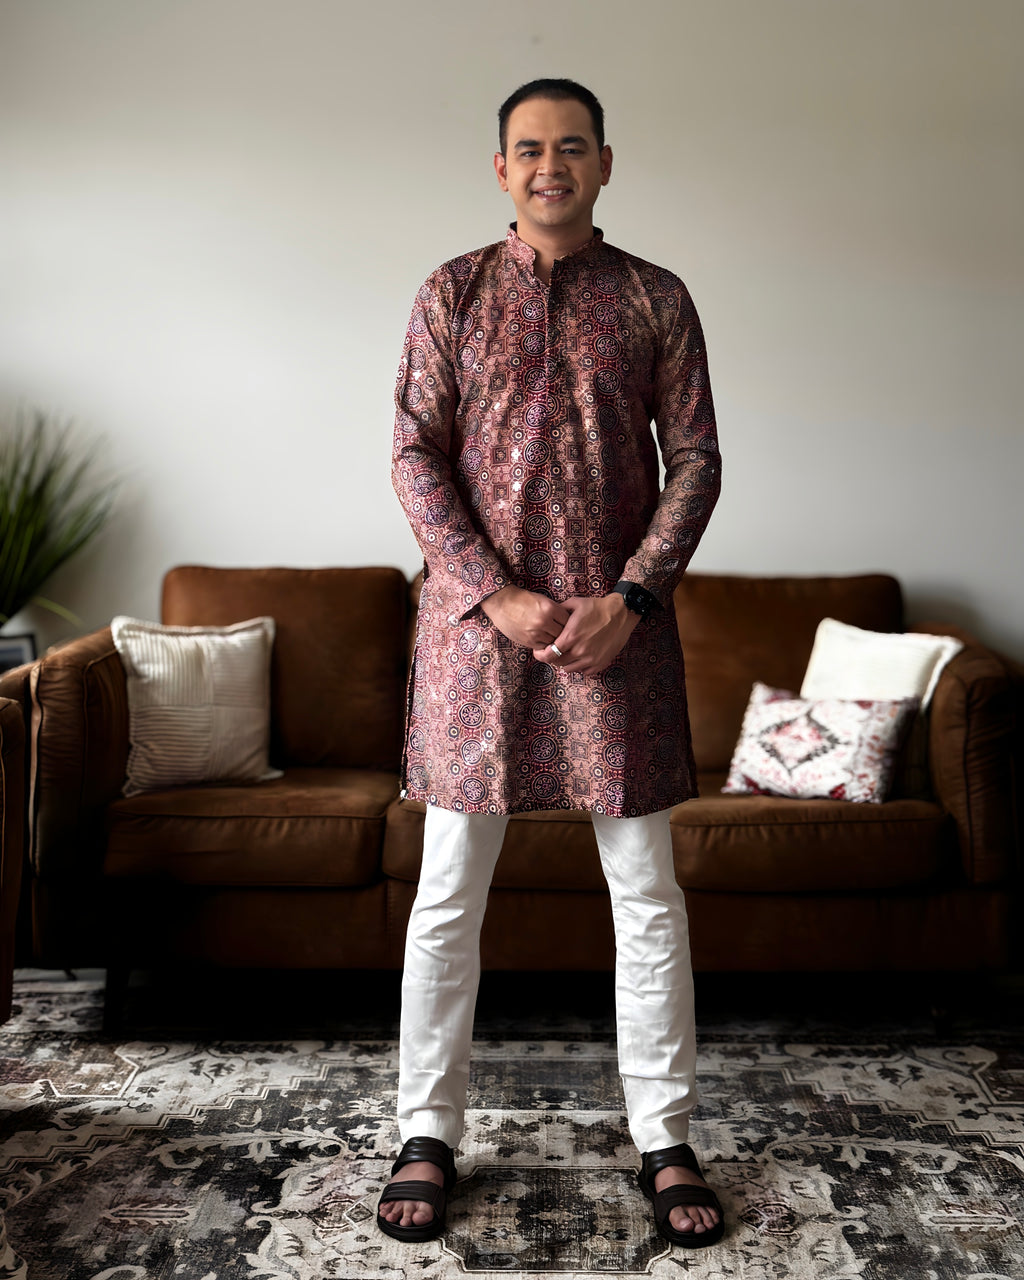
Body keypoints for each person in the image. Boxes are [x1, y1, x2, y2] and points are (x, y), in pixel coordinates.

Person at [378, 78, 724, 1251]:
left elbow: (696, 460)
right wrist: (495, 591)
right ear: (499, 169)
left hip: (615, 637)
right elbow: (414, 457)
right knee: (445, 899)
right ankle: (426, 1128)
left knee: (647, 898)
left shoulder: (653, 296)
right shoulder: (453, 292)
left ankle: (664, 1132)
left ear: (605, 163)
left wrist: (633, 592)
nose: (548, 166)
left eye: (569, 147)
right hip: (479, 640)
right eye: (527, 149)